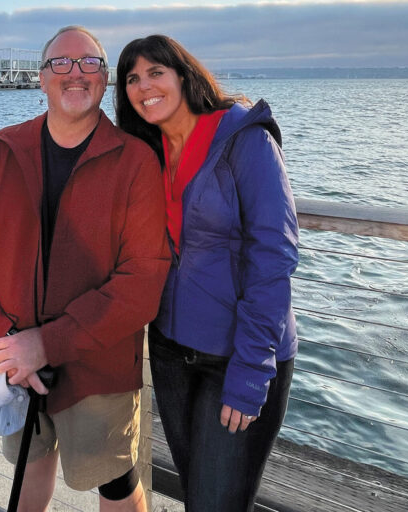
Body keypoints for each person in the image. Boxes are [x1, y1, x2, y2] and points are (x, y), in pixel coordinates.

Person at [0, 26, 170, 512]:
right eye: (62, 64)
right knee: (28, 464)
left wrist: (45, 343)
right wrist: (3, 339)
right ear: (42, 79)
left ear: (105, 80)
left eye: (89, 63)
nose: (76, 73)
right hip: (12, 356)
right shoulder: (1, 150)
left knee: (114, 480)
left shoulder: (135, 161)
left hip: (97, 363)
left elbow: (143, 280)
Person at [114, 35, 299, 511]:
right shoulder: (146, 152)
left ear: (183, 75)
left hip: (238, 356)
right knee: (198, 494)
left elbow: (274, 255)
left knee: (216, 502)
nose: (144, 85)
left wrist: (252, 369)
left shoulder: (244, 139)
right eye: (132, 78)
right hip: (173, 351)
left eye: (156, 72)